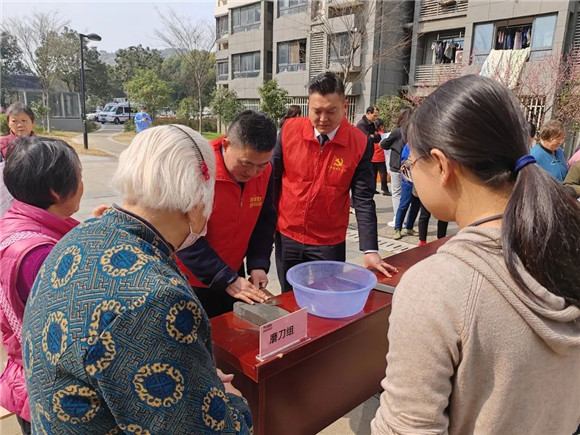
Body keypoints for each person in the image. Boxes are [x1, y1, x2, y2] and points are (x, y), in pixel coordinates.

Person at [371, 75, 580, 434]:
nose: (411, 176)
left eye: (412, 166)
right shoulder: (566, 243)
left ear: (440, 165)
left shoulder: (436, 286)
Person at [22, 125, 252, 434]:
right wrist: (233, 404)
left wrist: (196, 375)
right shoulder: (155, 300)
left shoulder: (77, 237)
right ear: (197, 206)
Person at [272, 72, 396, 292]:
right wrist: (266, 231)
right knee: (288, 298)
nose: (323, 119)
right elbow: (272, 184)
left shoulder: (358, 143)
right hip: (288, 234)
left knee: (328, 296)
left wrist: (370, 249)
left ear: (344, 106)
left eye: (331, 111)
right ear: (308, 104)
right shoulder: (288, 132)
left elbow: (363, 198)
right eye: (316, 111)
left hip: (328, 241)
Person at [0, 137, 83, 435]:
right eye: (79, 176)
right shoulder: (39, 256)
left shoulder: (19, 222)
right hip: (50, 392)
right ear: (56, 191)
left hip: (26, 379)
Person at [177, 110, 276, 317]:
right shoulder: (196, 170)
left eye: (261, 165)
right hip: (191, 278)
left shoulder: (265, 172)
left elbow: (264, 221)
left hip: (233, 273)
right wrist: (224, 277)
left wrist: (258, 264)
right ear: (226, 145)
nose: (252, 173)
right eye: (246, 163)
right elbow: (182, 235)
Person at [381, 107, 413, 227]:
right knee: (407, 193)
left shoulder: (397, 132)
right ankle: (407, 220)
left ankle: (397, 218)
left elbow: (385, 144)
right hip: (409, 166)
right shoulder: (413, 131)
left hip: (396, 165)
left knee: (396, 193)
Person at [392, 143, 420, 240]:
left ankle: (409, 227)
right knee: (404, 205)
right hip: (408, 181)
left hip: (419, 182)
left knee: (416, 206)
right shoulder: (409, 146)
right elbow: (404, 161)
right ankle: (397, 229)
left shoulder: (424, 144)